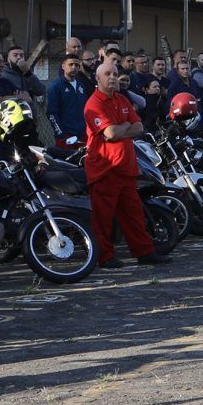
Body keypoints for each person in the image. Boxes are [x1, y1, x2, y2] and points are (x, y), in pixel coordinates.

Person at [80, 59, 165, 269]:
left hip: (126, 168)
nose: (112, 78)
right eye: (107, 74)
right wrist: (126, 125)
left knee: (134, 214)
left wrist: (123, 127)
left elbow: (139, 128)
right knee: (103, 218)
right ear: (97, 79)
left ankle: (144, 252)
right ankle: (104, 256)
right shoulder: (94, 104)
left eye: (115, 74)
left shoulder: (122, 99)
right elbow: (110, 133)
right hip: (104, 169)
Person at [45, 50, 95, 148]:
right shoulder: (56, 87)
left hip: (83, 135)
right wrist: (61, 134)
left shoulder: (81, 86)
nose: (74, 67)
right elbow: (51, 113)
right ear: (63, 66)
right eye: (71, 64)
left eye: (76, 65)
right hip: (66, 136)